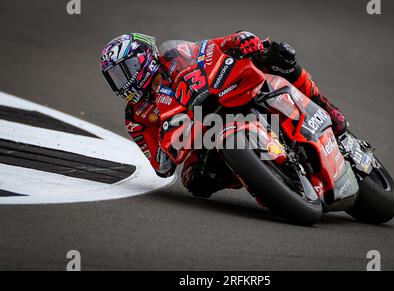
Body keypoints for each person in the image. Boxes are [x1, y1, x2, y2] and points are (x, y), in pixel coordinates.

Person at [100, 32, 347, 196]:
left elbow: (211, 48)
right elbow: (162, 167)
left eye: (125, 71)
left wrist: (240, 41)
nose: (122, 82)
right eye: (114, 78)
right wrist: (168, 134)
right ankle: (262, 175)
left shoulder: (173, 55)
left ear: (143, 59)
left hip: (224, 93)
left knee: (277, 55)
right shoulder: (136, 117)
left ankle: (326, 108)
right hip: (203, 139)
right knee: (194, 180)